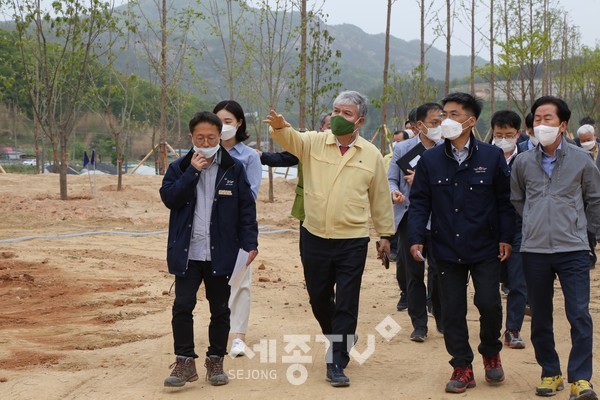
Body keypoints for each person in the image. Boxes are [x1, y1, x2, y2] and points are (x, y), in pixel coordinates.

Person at [264, 90, 395, 387]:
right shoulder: (313, 142)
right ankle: (343, 335)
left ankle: (337, 359)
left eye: (346, 113)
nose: (338, 117)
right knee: (319, 297)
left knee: (348, 300)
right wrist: (280, 126)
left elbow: (380, 199)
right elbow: (289, 139)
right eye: (335, 111)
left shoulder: (371, 155)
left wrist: (386, 234)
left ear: (359, 121)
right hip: (315, 236)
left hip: (353, 239)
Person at [407, 92, 514, 394]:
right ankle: (461, 365)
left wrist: (506, 237)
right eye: (444, 115)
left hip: (485, 247)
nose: (446, 121)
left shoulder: (491, 157)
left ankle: (491, 353)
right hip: (445, 247)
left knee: (490, 304)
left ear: (470, 120)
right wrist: (416, 238)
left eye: (453, 115)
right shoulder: (430, 160)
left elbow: (504, 202)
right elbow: (419, 203)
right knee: (451, 309)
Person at [159, 111, 259, 388]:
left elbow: (246, 211)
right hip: (188, 253)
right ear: (191, 138)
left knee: (220, 309)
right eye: (200, 137)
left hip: (222, 252)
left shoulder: (233, 168)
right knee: (182, 306)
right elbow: (169, 198)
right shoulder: (179, 167)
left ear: (220, 137)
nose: (205, 142)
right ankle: (184, 361)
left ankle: (215, 359)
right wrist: (193, 171)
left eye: (211, 137)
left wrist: (251, 245)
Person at [511, 96, 600, 399]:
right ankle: (550, 372)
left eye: (547, 118)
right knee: (540, 316)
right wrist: (534, 224)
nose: (540, 124)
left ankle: (581, 378)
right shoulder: (523, 162)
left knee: (579, 314)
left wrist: (588, 236)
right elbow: (518, 200)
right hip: (534, 250)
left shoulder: (581, 160)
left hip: (573, 249)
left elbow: (594, 200)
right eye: (536, 118)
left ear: (563, 125)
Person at [388, 102, 444, 341]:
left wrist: (422, 181)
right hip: (411, 216)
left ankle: (442, 317)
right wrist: (395, 193)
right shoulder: (403, 149)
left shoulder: (448, 149)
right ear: (420, 125)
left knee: (441, 271)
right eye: (434, 123)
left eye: (442, 122)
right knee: (413, 272)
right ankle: (419, 323)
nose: (439, 126)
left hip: (441, 217)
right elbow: (392, 179)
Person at [212, 100, 262, 358]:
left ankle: (238, 337)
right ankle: (219, 330)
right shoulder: (204, 153)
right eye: (218, 121)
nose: (223, 126)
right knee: (215, 282)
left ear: (240, 123)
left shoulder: (250, 157)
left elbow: (250, 195)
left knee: (241, 282)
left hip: (237, 227)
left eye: (228, 121)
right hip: (208, 228)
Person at [490, 110, 528, 350]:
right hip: (488, 229)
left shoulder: (528, 158)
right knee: (489, 282)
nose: (503, 139)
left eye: (509, 134)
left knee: (518, 281)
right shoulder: (483, 156)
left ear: (518, 134)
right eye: (498, 134)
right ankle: (491, 326)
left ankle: (512, 329)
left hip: (520, 228)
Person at [258, 112, 331, 237]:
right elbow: (284, 158)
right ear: (321, 129)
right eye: (330, 126)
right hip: (308, 207)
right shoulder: (308, 145)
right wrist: (261, 156)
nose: (334, 130)